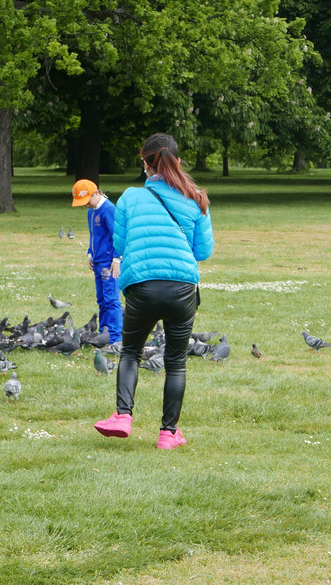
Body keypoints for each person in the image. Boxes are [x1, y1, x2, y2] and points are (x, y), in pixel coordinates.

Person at [93, 133, 213, 450]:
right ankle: (168, 434)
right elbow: (202, 251)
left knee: (131, 351)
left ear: (146, 163)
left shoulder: (131, 198)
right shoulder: (196, 198)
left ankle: (122, 415)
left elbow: (118, 245)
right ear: (176, 160)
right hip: (183, 288)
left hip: (142, 286)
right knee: (175, 363)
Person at [71, 179, 122, 352]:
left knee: (111, 300)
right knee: (101, 299)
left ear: (96, 193)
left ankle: (115, 338)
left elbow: (119, 236)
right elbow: (94, 236)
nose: (85, 205)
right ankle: (103, 334)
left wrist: (117, 260)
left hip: (109, 264)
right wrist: (90, 253)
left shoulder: (108, 209)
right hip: (98, 261)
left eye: (86, 201)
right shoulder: (91, 211)